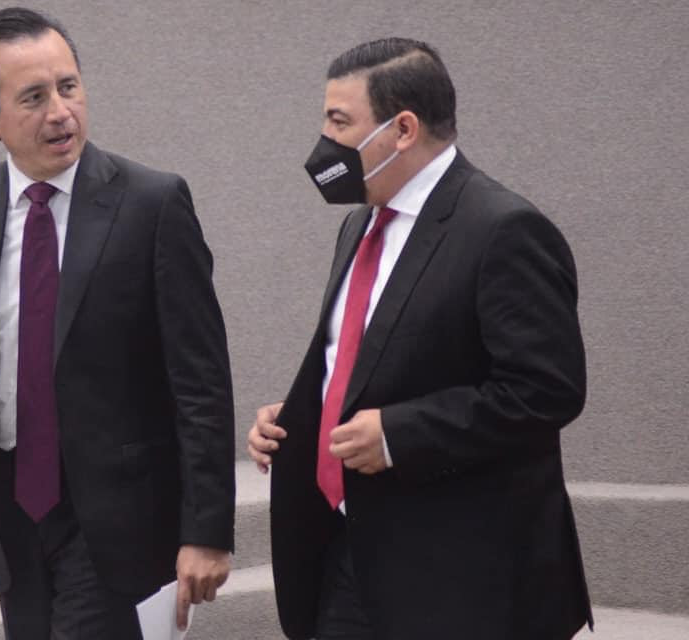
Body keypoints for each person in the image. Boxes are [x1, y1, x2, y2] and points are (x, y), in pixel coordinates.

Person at [0, 8, 234, 639]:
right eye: (34, 97)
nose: (60, 112)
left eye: (69, 87)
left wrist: (206, 530)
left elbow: (200, 380)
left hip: (119, 514)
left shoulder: (151, 204)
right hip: (9, 507)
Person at [248, 38, 592, 640]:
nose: (325, 142)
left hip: (459, 579)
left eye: (339, 122)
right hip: (348, 556)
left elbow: (546, 391)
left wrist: (400, 435)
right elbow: (366, 358)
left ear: (403, 129)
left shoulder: (504, 229)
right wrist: (303, 415)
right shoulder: (360, 223)